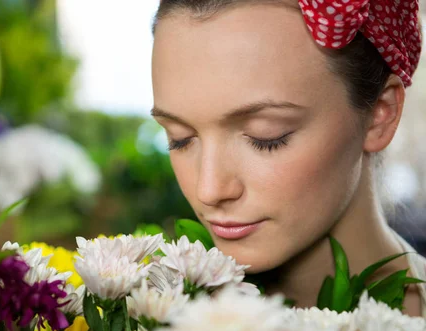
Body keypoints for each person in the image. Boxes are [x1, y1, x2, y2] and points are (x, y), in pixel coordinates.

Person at [151, 0, 425, 314]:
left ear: (380, 115)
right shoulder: (130, 320)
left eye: (266, 137)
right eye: (180, 139)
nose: (209, 190)